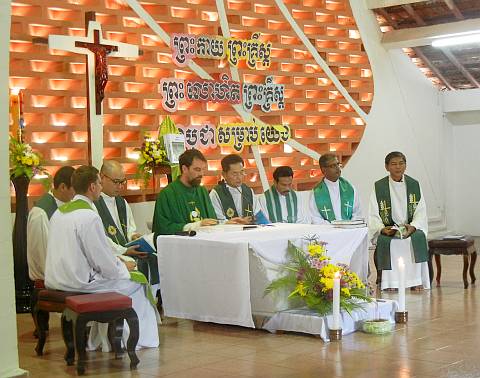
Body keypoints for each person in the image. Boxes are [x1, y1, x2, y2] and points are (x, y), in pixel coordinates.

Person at [44, 166, 159, 349]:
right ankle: (139, 342)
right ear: (92, 187)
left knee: (124, 274)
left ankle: (102, 339)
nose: (99, 186)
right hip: (79, 283)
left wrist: (116, 262)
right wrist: (123, 267)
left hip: (55, 280)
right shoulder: (89, 217)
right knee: (138, 283)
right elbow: (103, 262)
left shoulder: (60, 212)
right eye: (99, 182)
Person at [368, 151, 430, 291]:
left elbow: (421, 211)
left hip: (410, 228)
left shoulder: (414, 185)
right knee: (387, 241)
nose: (398, 167)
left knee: (416, 238)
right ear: (386, 167)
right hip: (389, 229)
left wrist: (413, 226)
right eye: (394, 164)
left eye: (401, 163)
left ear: (405, 165)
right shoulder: (379, 187)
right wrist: (381, 228)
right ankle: (390, 284)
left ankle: (416, 281)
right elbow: (373, 213)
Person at [94, 160, 159, 286]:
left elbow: (129, 229)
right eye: (116, 182)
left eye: (122, 182)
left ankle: (153, 301)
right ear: (102, 177)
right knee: (132, 265)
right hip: (113, 255)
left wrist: (134, 236)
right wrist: (124, 250)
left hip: (128, 250)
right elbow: (100, 238)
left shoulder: (122, 202)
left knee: (154, 258)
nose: (120, 187)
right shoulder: (94, 204)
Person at [152, 148, 217, 236]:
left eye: (203, 169)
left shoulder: (202, 191)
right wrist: (196, 225)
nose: (201, 174)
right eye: (197, 169)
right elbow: (162, 228)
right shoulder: (168, 194)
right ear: (184, 169)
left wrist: (227, 224)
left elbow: (212, 221)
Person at [27, 166, 75, 282]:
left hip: (69, 276)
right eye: (75, 189)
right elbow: (43, 258)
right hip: (49, 283)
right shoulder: (41, 213)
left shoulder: (72, 205)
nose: (77, 194)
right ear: (63, 187)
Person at [310, 154, 362, 224]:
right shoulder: (316, 192)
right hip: (329, 232)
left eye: (338, 164)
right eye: (333, 166)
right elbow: (315, 218)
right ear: (323, 170)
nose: (337, 168)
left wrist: (349, 225)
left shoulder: (350, 189)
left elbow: (357, 213)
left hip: (349, 231)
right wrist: (333, 228)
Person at [209, 154, 261, 224]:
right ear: (224, 174)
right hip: (228, 233)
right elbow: (216, 221)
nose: (239, 177)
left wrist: (252, 219)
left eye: (241, 172)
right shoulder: (216, 193)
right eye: (234, 174)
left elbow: (257, 214)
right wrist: (237, 222)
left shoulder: (248, 191)